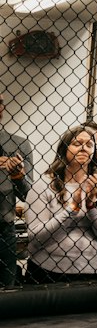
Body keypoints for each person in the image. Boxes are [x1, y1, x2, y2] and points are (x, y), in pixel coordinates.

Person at [25, 125, 97, 281]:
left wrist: (92, 205)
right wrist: (71, 209)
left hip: (96, 271)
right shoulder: (44, 184)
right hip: (50, 271)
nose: (84, 148)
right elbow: (35, 237)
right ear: (64, 149)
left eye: (89, 144)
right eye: (77, 143)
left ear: (94, 152)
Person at [0, 91, 32, 288]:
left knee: (7, 291)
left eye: (0, 103)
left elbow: (27, 193)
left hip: (4, 231)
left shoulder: (19, 144)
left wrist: (18, 176)